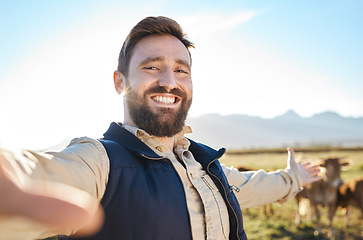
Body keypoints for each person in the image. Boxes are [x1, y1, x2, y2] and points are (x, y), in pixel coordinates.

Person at [0, 16, 321, 240]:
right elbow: (36, 174)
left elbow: (252, 186)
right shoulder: (97, 163)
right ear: (120, 82)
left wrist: (295, 178)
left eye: (181, 70)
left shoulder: (207, 167)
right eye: (152, 66)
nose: (169, 81)